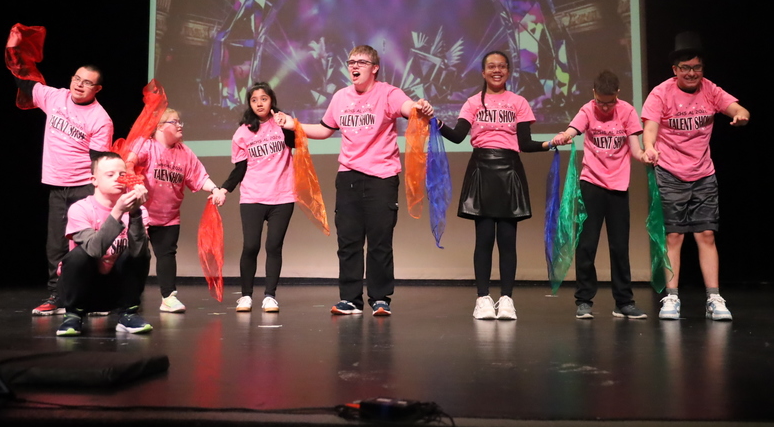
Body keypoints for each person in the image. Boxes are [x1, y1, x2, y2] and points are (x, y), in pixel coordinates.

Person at [276, 45, 434, 316]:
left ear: (375, 68)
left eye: (361, 62)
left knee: (380, 242)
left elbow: (408, 107)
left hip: (382, 178)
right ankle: (350, 299)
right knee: (348, 241)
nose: (354, 66)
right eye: (351, 62)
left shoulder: (388, 93)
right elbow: (325, 130)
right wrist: (294, 125)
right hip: (348, 176)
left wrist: (419, 107)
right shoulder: (340, 97)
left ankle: (380, 298)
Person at [438, 51, 559, 321]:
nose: (497, 70)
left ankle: (506, 300)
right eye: (491, 67)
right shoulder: (472, 102)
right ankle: (482, 299)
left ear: (508, 71)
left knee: (507, 240)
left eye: (502, 66)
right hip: (481, 170)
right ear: (483, 72)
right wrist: (434, 121)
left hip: (509, 171)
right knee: (483, 239)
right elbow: (457, 136)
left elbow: (525, 144)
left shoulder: (519, 102)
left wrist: (551, 143)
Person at [642, 44, 749, 321]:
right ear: (675, 70)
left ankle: (714, 298)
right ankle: (671, 297)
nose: (691, 73)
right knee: (674, 236)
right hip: (670, 172)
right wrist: (649, 147)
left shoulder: (710, 89)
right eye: (685, 68)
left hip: (703, 173)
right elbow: (650, 128)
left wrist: (740, 115)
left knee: (706, 234)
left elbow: (737, 107)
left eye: (696, 67)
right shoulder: (661, 93)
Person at [16, 65, 114, 316]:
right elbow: (25, 82)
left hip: (85, 188)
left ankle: (93, 297)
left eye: (87, 82)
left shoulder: (100, 119)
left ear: (97, 89)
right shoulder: (55, 97)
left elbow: (98, 161)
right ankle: (57, 296)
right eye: (77, 78)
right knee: (56, 245)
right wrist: (16, 53)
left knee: (87, 245)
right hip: (58, 186)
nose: (79, 85)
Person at [555, 70, 646, 320]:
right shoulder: (588, 109)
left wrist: (645, 156)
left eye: (610, 102)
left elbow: (636, 149)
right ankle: (584, 300)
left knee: (619, 246)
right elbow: (573, 129)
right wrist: (565, 136)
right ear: (594, 93)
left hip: (618, 186)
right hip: (591, 184)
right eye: (600, 102)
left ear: (617, 94)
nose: (605, 108)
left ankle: (624, 302)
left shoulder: (627, 111)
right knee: (587, 245)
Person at [127, 109, 222, 314]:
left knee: (167, 255)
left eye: (180, 122)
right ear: (160, 126)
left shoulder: (185, 153)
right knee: (137, 257)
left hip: (168, 216)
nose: (180, 126)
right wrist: (134, 180)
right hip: (141, 214)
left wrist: (215, 189)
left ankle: (168, 298)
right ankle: (127, 298)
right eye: (174, 122)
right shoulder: (146, 145)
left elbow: (199, 176)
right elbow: (128, 162)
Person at [214, 83, 297, 314]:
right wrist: (224, 189)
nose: (259, 103)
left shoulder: (283, 123)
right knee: (251, 246)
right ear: (249, 104)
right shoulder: (242, 133)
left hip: (282, 196)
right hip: (253, 197)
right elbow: (240, 169)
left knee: (274, 246)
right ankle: (246, 296)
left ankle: (270, 296)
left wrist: (287, 125)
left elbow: (297, 144)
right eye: (254, 100)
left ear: (271, 100)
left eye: (264, 98)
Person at [55, 153, 153, 336]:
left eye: (122, 174)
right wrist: (117, 211)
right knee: (79, 255)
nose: (118, 178)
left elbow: (139, 253)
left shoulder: (138, 209)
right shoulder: (80, 209)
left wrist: (135, 214)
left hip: (116, 290)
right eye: (110, 174)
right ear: (94, 180)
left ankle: (128, 313)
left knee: (140, 252)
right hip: (84, 289)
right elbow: (94, 250)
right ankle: (73, 315)